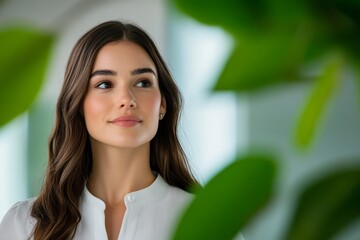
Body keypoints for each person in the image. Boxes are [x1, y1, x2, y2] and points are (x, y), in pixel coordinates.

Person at [0, 20, 199, 240]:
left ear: (163, 103)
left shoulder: (207, 221)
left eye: (142, 82)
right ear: (79, 104)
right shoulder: (23, 224)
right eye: (105, 84)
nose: (126, 99)